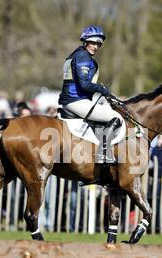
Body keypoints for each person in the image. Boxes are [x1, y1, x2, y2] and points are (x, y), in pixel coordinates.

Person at [58, 25, 122, 164]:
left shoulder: (77, 54)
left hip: (75, 100)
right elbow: (84, 84)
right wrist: (103, 89)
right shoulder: (82, 56)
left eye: (98, 44)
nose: (96, 46)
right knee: (116, 118)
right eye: (93, 42)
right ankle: (103, 153)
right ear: (85, 41)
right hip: (76, 101)